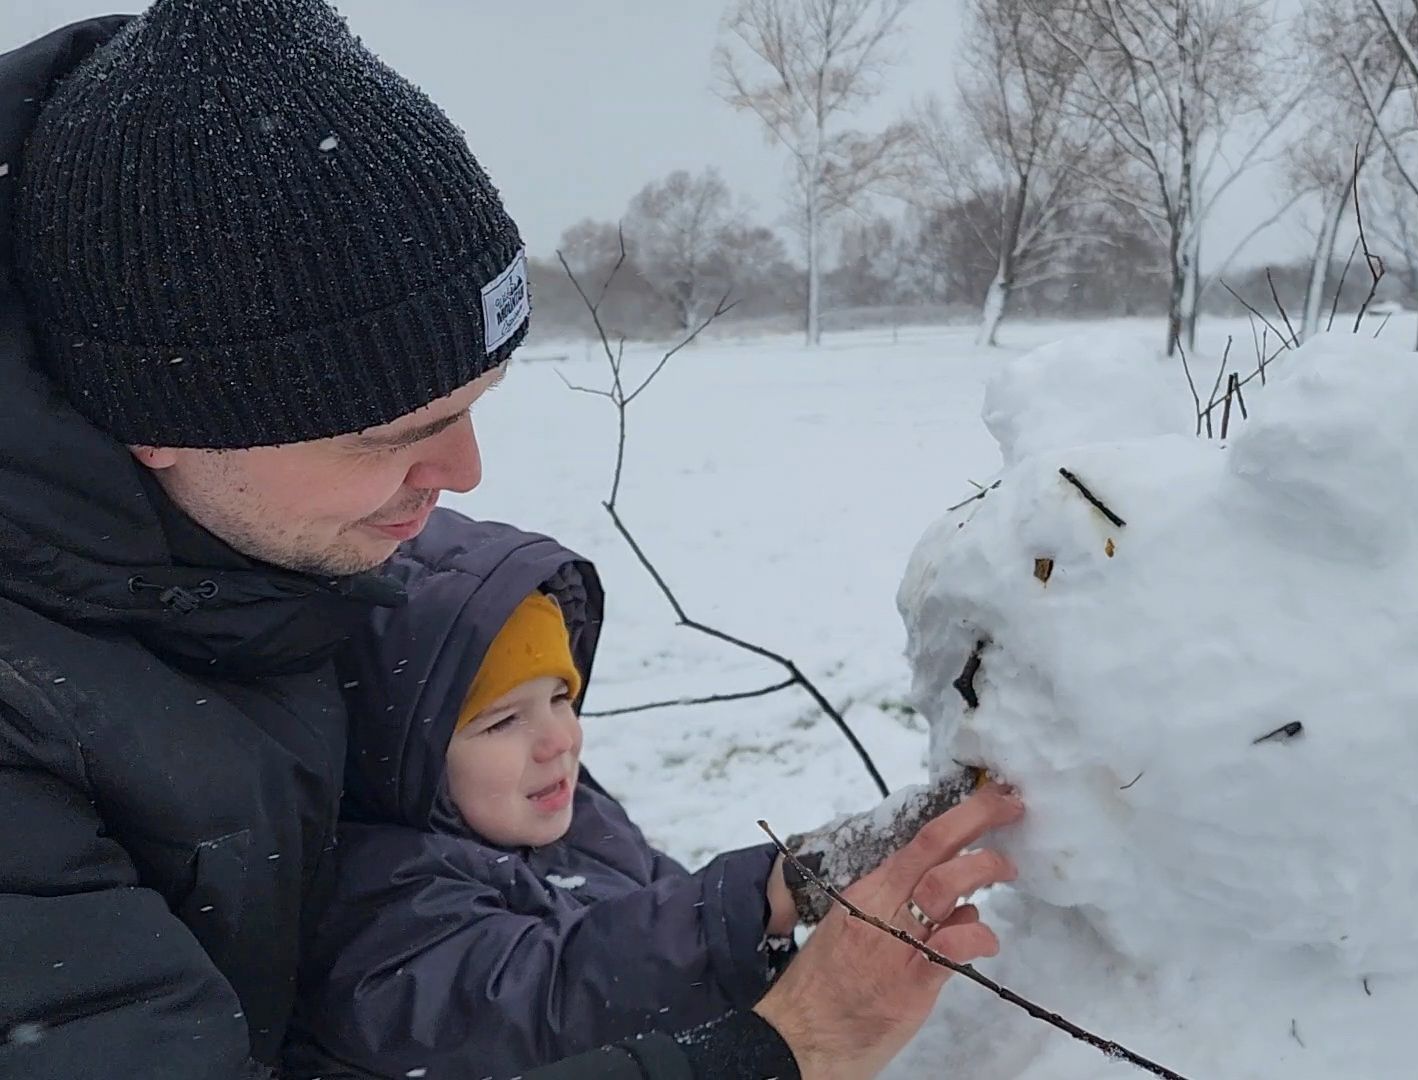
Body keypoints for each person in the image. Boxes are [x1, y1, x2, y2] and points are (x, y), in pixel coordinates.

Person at [0, 4, 1019, 1078]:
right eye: (394, 434)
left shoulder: (261, 556)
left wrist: (771, 889)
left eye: (475, 402)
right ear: (164, 421)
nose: (465, 473)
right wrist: (789, 1049)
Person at [288, 510, 808, 1076]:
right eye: (503, 721)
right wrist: (746, 908)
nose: (560, 739)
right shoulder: (379, 912)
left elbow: (655, 908)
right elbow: (546, 1002)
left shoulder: (573, 815)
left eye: (561, 696)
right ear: (390, 754)